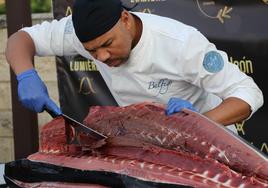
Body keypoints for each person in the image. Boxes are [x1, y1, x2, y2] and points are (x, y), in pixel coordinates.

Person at [5, 0, 263, 133]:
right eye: (91, 51)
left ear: (125, 20)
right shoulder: (77, 33)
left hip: (210, 142)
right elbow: (20, 39)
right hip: (148, 140)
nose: (102, 57)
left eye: (107, 44)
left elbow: (248, 93)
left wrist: (199, 124)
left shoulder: (181, 42)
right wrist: (26, 74)